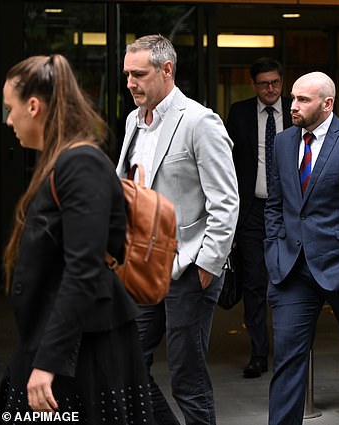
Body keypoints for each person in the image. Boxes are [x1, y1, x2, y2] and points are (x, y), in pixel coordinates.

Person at [0, 54, 154, 424]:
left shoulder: (79, 164)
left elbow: (82, 270)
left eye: (10, 108)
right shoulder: (61, 161)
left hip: (83, 351)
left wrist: (48, 363)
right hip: (67, 343)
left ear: (33, 106)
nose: (8, 120)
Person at [116, 35, 239, 425]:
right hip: (142, 267)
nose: (131, 83)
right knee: (124, 361)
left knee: (187, 376)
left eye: (139, 74)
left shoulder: (199, 121)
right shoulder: (133, 122)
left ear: (166, 70)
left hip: (188, 266)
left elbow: (226, 201)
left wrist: (206, 265)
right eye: (127, 75)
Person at [264, 71, 339, 425]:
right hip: (292, 269)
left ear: (327, 104)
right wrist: (273, 250)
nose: (293, 105)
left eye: (303, 100)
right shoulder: (284, 142)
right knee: (286, 360)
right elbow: (276, 203)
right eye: (293, 98)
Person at [226, 57, 292, 379]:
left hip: (289, 210)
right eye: (264, 83)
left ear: (282, 82)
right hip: (253, 210)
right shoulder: (239, 114)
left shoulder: (297, 112)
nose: (270, 89)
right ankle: (258, 351)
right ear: (254, 85)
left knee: (290, 281)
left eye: (275, 82)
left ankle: (290, 350)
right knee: (254, 283)